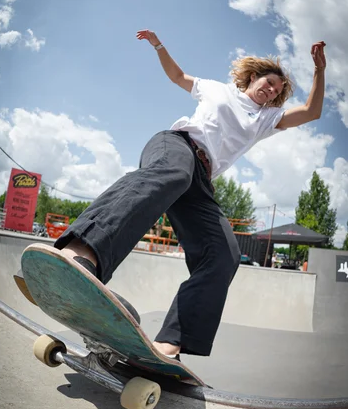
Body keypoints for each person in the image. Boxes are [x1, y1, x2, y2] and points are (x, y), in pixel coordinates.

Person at [33, 31, 326, 360]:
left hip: (201, 180)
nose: (271, 91)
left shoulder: (266, 119)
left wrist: (319, 71)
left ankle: (172, 342)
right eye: (269, 83)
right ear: (254, 77)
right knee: (173, 174)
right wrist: (158, 45)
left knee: (223, 255)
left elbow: (311, 111)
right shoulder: (216, 89)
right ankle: (81, 254)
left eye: (276, 91)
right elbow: (176, 75)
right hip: (176, 146)